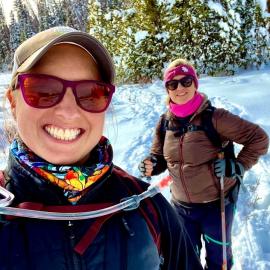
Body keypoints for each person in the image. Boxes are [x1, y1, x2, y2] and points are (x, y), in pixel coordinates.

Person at [0, 27, 203, 270]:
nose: (68, 111)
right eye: (43, 91)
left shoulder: (150, 208)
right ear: (12, 102)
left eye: (90, 93)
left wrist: (236, 163)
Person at [139, 58, 269, 270]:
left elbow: (259, 138)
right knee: (185, 259)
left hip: (216, 206)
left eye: (186, 81)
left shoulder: (215, 118)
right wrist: (152, 163)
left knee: (218, 261)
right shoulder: (164, 123)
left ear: (195, 83)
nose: (180, 88)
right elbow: (159, 156)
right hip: (181, 207)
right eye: (173, 84)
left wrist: (238, 165)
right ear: (167, 90)